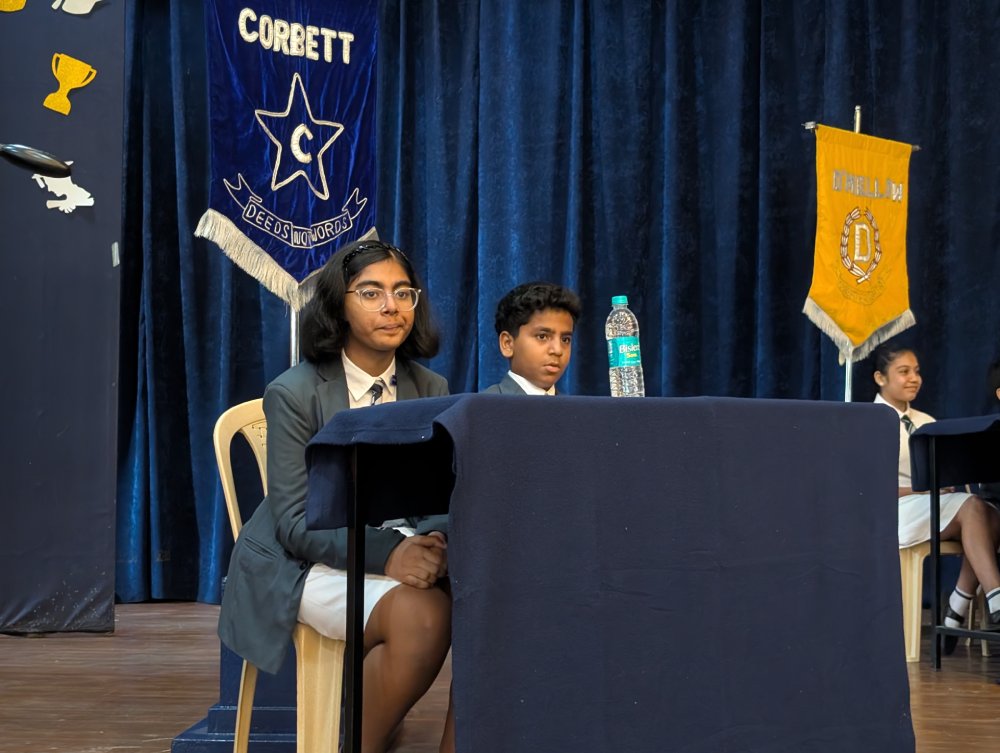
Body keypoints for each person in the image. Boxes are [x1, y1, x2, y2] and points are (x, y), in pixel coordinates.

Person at [218, 239, 454, 753]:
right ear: (337, 306)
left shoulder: (431, 386)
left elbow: (444, 493)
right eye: (371, 293)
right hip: (307, 561)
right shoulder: (294, 392)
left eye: (403, 293)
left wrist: (433, 541)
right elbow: (296, 523)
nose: (392, 307)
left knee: (476, 599)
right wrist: (390, 553)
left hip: (402, 549)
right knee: (425, 616)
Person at [872, 343, 1000, 646]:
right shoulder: (868, 421)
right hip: (894, 508)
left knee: (990, 516)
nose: (913, 378)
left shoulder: (926, 421)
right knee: (973, 508)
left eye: (916, 371)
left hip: (934, 506)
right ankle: (995, 597)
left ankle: (956, 608)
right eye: (903, 372)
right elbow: (868, 486)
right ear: (880, 377)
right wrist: (925, 488)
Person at [483, 281, 581, 394]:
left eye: (565, 340)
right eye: (542, 336)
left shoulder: (576, 410)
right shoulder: (481, 407)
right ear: (508, 344)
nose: (558, 350)